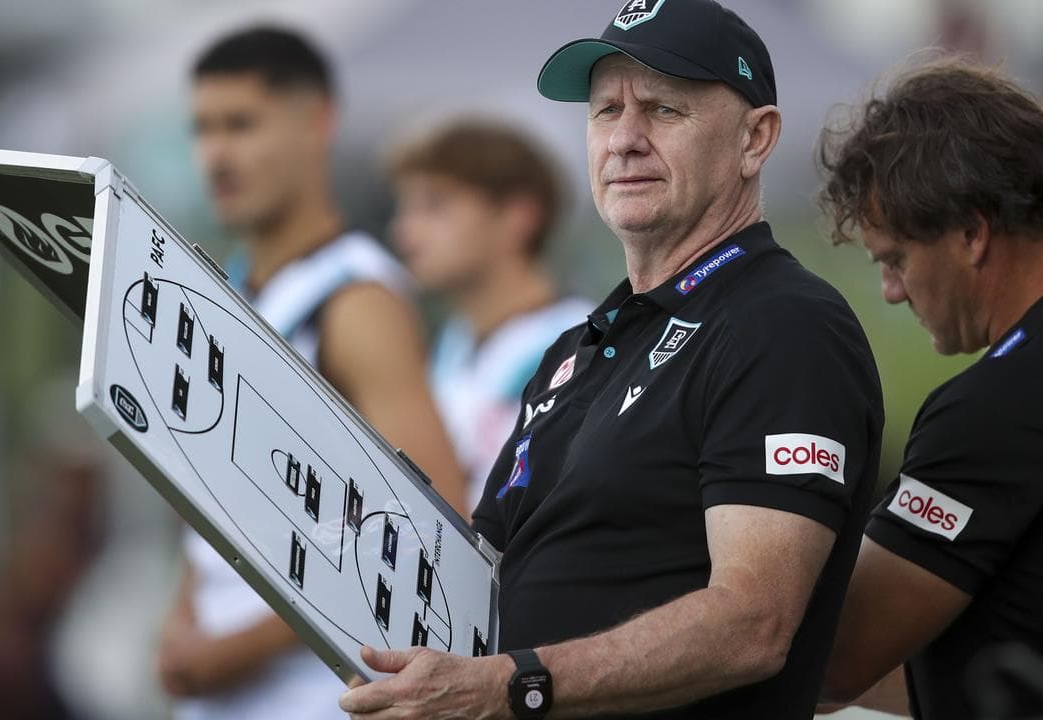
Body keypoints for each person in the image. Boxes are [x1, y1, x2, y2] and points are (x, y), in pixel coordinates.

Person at [340, 1, 884, 718]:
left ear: (755, 139)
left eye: (663, 109)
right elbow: (475, 572)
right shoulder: (578, 347)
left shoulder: (785, 324)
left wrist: (508, 686)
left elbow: (752, 624)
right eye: (605, 111)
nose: (624, 139)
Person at [815, 58, 1043, 719]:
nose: (892, 291)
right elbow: (1017, 643)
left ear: (971, 232)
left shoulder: (1005, 406)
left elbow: (834, 662)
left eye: (897, 259)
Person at [156, 26, 462, 720]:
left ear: (318, 122)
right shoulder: (231, 293)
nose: (216, 154)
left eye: (242, 124)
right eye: (203, 128)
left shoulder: (356, 302)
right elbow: (218, 514)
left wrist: (239, 647)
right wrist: (184, 617)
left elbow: (434, 533)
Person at [385, 120, 592, 513]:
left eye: (434, 205)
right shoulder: (454, 341)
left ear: (518, 215)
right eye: (405, 208)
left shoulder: (578, 342)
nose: (404, 232)